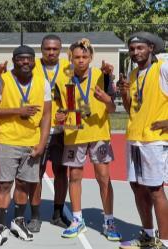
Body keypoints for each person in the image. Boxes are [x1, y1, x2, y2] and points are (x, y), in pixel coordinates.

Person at [0, 45, 51, 248]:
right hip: (8, 141)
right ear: (14, 60)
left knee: (24, 184)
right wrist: (17, 111)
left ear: (34, 61)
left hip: (32, 141)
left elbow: (47, 115)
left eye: (29, 59)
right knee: (5, 184)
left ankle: (18, 221)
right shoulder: (0, 80)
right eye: (21, 59)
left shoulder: (42, 83)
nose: (25, 62)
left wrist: (42, 143)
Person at [56, 38, 122, 240]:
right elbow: (62, 109)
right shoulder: (63, 79)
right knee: (74, 177)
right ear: (71, 58)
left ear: (91, 57)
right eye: (77, 57)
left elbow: (112, 109)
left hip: (99, 133)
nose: (81, 60)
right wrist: (60, 116)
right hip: (74, 133)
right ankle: (77, 219)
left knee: (103, 177)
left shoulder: (103, 76)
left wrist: (107, 100)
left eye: (85, 56)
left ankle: (109, 221)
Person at [119, 32, 168, 249]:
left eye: (140, 48)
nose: (136, 52)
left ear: (150, 48)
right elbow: (131, 109)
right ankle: (148, 235)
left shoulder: (162, 69)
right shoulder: (133, 75)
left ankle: (165, 241)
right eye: (132, 49)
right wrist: (125, 93)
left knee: (155, 189)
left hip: (154, 140)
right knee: (137, 186)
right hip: (135, 138)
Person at [27, 34, 70, 232]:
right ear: (41, 49)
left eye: (55, 49)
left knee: (62, 173)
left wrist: (69, 116)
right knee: (36, 173)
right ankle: (35, 216)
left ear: (60, 50)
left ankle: (57, 214)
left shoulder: (69, 69)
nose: (51, 52)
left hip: (62, 131)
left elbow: (75, 98)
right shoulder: (30, 66)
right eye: (47, 49)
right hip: (38, 130)